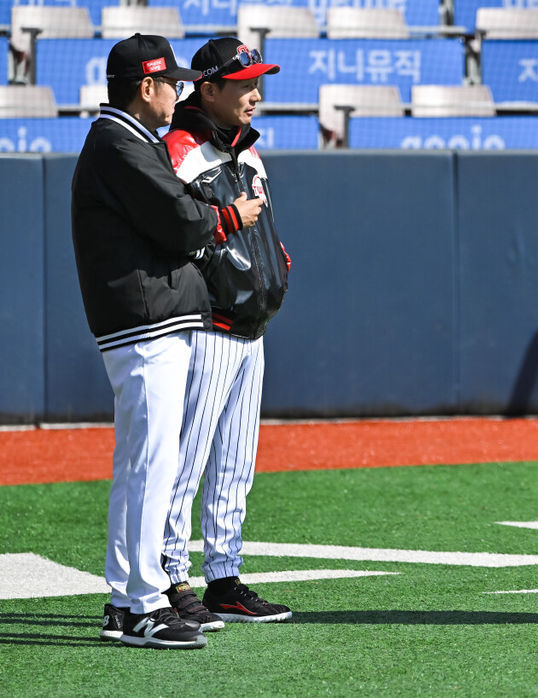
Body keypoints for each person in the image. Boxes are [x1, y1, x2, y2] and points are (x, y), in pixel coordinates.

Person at [71, 34, 260, 649]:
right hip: (143, 323)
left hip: (148, 321)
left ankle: (128, 602)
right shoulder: (118, 142)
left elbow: (178, 211)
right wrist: (226, 217)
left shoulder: (127, 140)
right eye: (169, 83)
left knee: (141, 467)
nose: (177, 92)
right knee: (151, 467)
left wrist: (203, 214)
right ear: (145, 87)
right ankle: (145, 602)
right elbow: (180, 219)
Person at [160, 37, 292, 626]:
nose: (255, 94)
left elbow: (264, 228)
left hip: (251, 326)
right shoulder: (180, 147)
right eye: (243, 84)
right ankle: (167, 578)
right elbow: (171, 229)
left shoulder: (250, 153)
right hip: (205, 326)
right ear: (207, 88)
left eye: (258, 82)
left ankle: (224, 578)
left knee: (237, 461)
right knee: (186, 462)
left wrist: (279, 261)